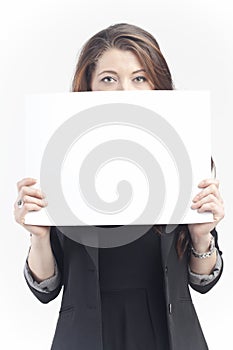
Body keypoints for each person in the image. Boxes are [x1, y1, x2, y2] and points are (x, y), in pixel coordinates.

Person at [14, 23, 224, 350]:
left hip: (167, 334)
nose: (125, 90)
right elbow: (45, 289)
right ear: (89, 87)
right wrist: (38, 235)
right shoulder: (60, 158)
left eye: (139, 78)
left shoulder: (182, 153)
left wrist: (201, 235)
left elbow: (203, 282)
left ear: (156, 85)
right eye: (109, 79)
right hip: (86, 335)